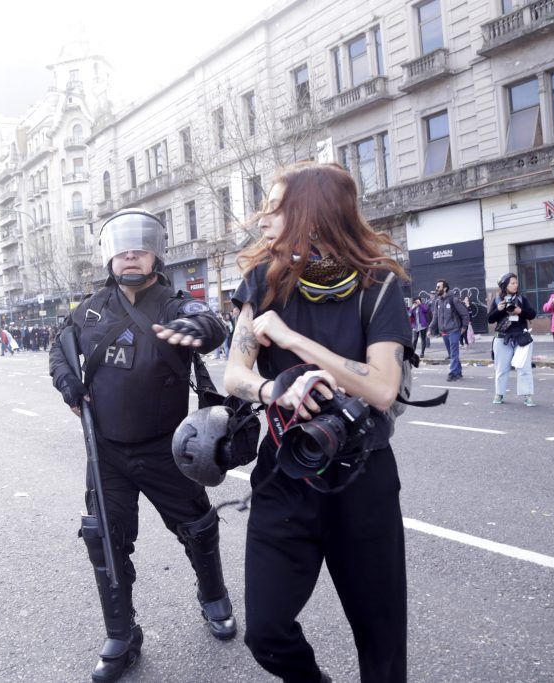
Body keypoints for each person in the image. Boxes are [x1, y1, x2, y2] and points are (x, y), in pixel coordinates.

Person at [221, 163, 412, 682]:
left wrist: (290, 340)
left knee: (382, 643)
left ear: (314, 213)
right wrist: (273, 388)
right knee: (265, 631)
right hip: (286, 472)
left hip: (362, 478)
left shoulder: (379, 285)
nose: (263, 219)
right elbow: (234, 373)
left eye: (277, 207)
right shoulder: (260, 282)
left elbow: (381, 386)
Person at [48, 209, 233, 682]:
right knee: (104, 539)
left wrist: (201, 329)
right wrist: (66, 380)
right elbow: (58, 348)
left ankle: (213, 596)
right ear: (110, 255)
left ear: (156, 254)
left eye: (141, 247)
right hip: (105, 451)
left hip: (165, 448)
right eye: (122, 247)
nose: (130, 254)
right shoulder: (87, 311)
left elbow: (207, 322)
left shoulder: (172, 303)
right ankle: (121, 633)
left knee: (198, 527)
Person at [488, 273, 537, 406]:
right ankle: (499, 394)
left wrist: (520, 311)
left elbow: (532, 314)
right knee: (501, 368)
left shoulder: (522, 299)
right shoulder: (498, 300)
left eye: (516, 282)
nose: (515, 285)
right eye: (512, 283)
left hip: (521, 338)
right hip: (502, 338)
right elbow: (490, 319)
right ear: (505, 286)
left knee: (524, 368)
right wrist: (499, 310)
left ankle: (527, 395)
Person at [428, 279, 470, 381]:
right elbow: (435, 317)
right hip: (444, 332)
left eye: (438, 287)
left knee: (454, 353)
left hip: (454, 330)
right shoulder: (438, 301)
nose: (436, 289)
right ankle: (458, 372)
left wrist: (464, 327)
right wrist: (430, 329)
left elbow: (465, 314)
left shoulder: (453, 299)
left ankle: (452, 373)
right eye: (436, 287)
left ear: (445, 288)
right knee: (451, 353)